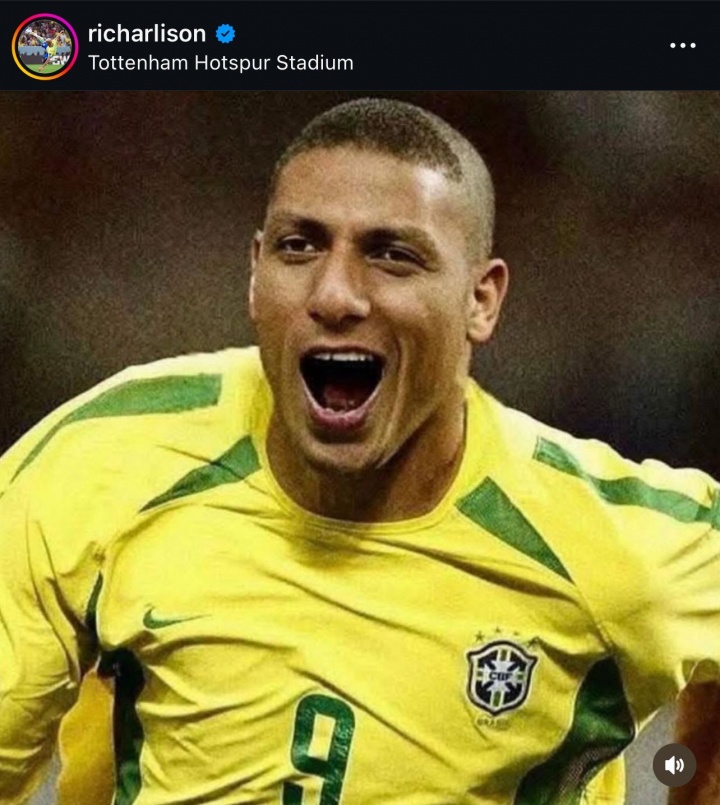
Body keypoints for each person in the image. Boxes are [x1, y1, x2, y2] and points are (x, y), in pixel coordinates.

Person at [0, 98, 718, 805]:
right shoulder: (101, 463)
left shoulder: (612, 544)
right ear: (255, 274)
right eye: (298, 247)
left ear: (481, 300)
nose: (335, 294)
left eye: (392, 255)